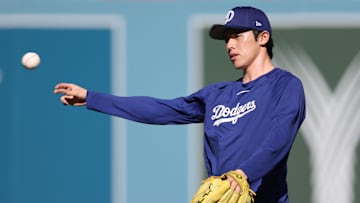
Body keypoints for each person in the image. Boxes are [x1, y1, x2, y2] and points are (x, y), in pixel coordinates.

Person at [54, 6, 306, 203]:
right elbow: (162, 110)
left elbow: (279, 139)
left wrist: (244, 174)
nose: (229, 45)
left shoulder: (284, 86)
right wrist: (92, 97)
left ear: (262, 37)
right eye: (226, 39)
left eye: (237, 36)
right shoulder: (218, 94)